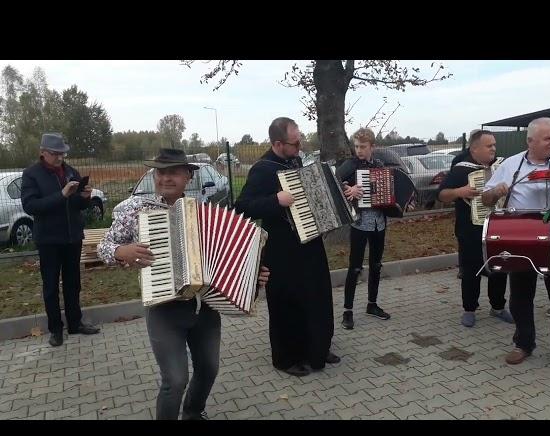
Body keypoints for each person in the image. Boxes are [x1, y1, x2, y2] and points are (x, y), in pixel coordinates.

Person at [97, 148, 270, 420]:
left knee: (209, 368)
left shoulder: (202, 211)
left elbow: (230, 256)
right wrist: (123, 252)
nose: (165, 178)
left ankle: (193, 413)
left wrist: (253, 274)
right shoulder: (136, 209)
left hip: (205, 307)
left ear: (188, 176)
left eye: (173, 172)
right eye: (160, 172)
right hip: (165, 308)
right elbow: (104, 246)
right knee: (175, 380)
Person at [482, 118, 550, 371]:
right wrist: (496, 192)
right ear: (530, 141)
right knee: (521, 295)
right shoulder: (510, 165)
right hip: (521, 239)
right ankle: (523, 344)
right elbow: (486, 199)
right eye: (548, 138)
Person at [235, 117, 340, 377]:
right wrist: (275, 200)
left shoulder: (295, 162)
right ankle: (286, 358)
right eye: (295, 142)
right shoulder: (262, 169)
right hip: (282, 248)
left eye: (300, 139)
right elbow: (242, 206)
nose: (300, 146)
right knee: (286, 302)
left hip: (310, 243)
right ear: (278, 143)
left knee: (317, 295)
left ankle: (317, 348)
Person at [21, 133, 101, 348]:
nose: (59, 158)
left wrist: (84, 198)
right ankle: (55, 329)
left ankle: (76, 323)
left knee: (73, 283)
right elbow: (31, 206)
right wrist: (62, 195)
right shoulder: (31, 175)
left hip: (72, 236)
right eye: (55, 154)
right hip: (48, 239)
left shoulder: (71, 171)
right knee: (50, 286)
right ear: (43, 152)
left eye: (62, 153)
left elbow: (75, 205)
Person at [437, 130, 513, 327]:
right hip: (470, 229)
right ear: (475, 149)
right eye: (489, 146)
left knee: (499, 267)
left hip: (498, 226)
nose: (494, 149)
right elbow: (442, 195)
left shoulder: (501, 167)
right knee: (471, 270)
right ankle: (469, 309)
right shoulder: (461, 170)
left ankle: (497, 307)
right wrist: (458, 191)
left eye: (494, 145)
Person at [333, 128, 393, 330]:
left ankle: (372, 305)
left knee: (376, 264)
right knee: (354, 267)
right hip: (359, 223)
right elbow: (332, 184)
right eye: (356, 146)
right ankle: (347, 311)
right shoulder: (349, 166)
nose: (359, 150)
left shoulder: (380, 165)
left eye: (363, 146)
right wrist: (348, 189)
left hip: (379, 223)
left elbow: (389, 191)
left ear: (372, 147)